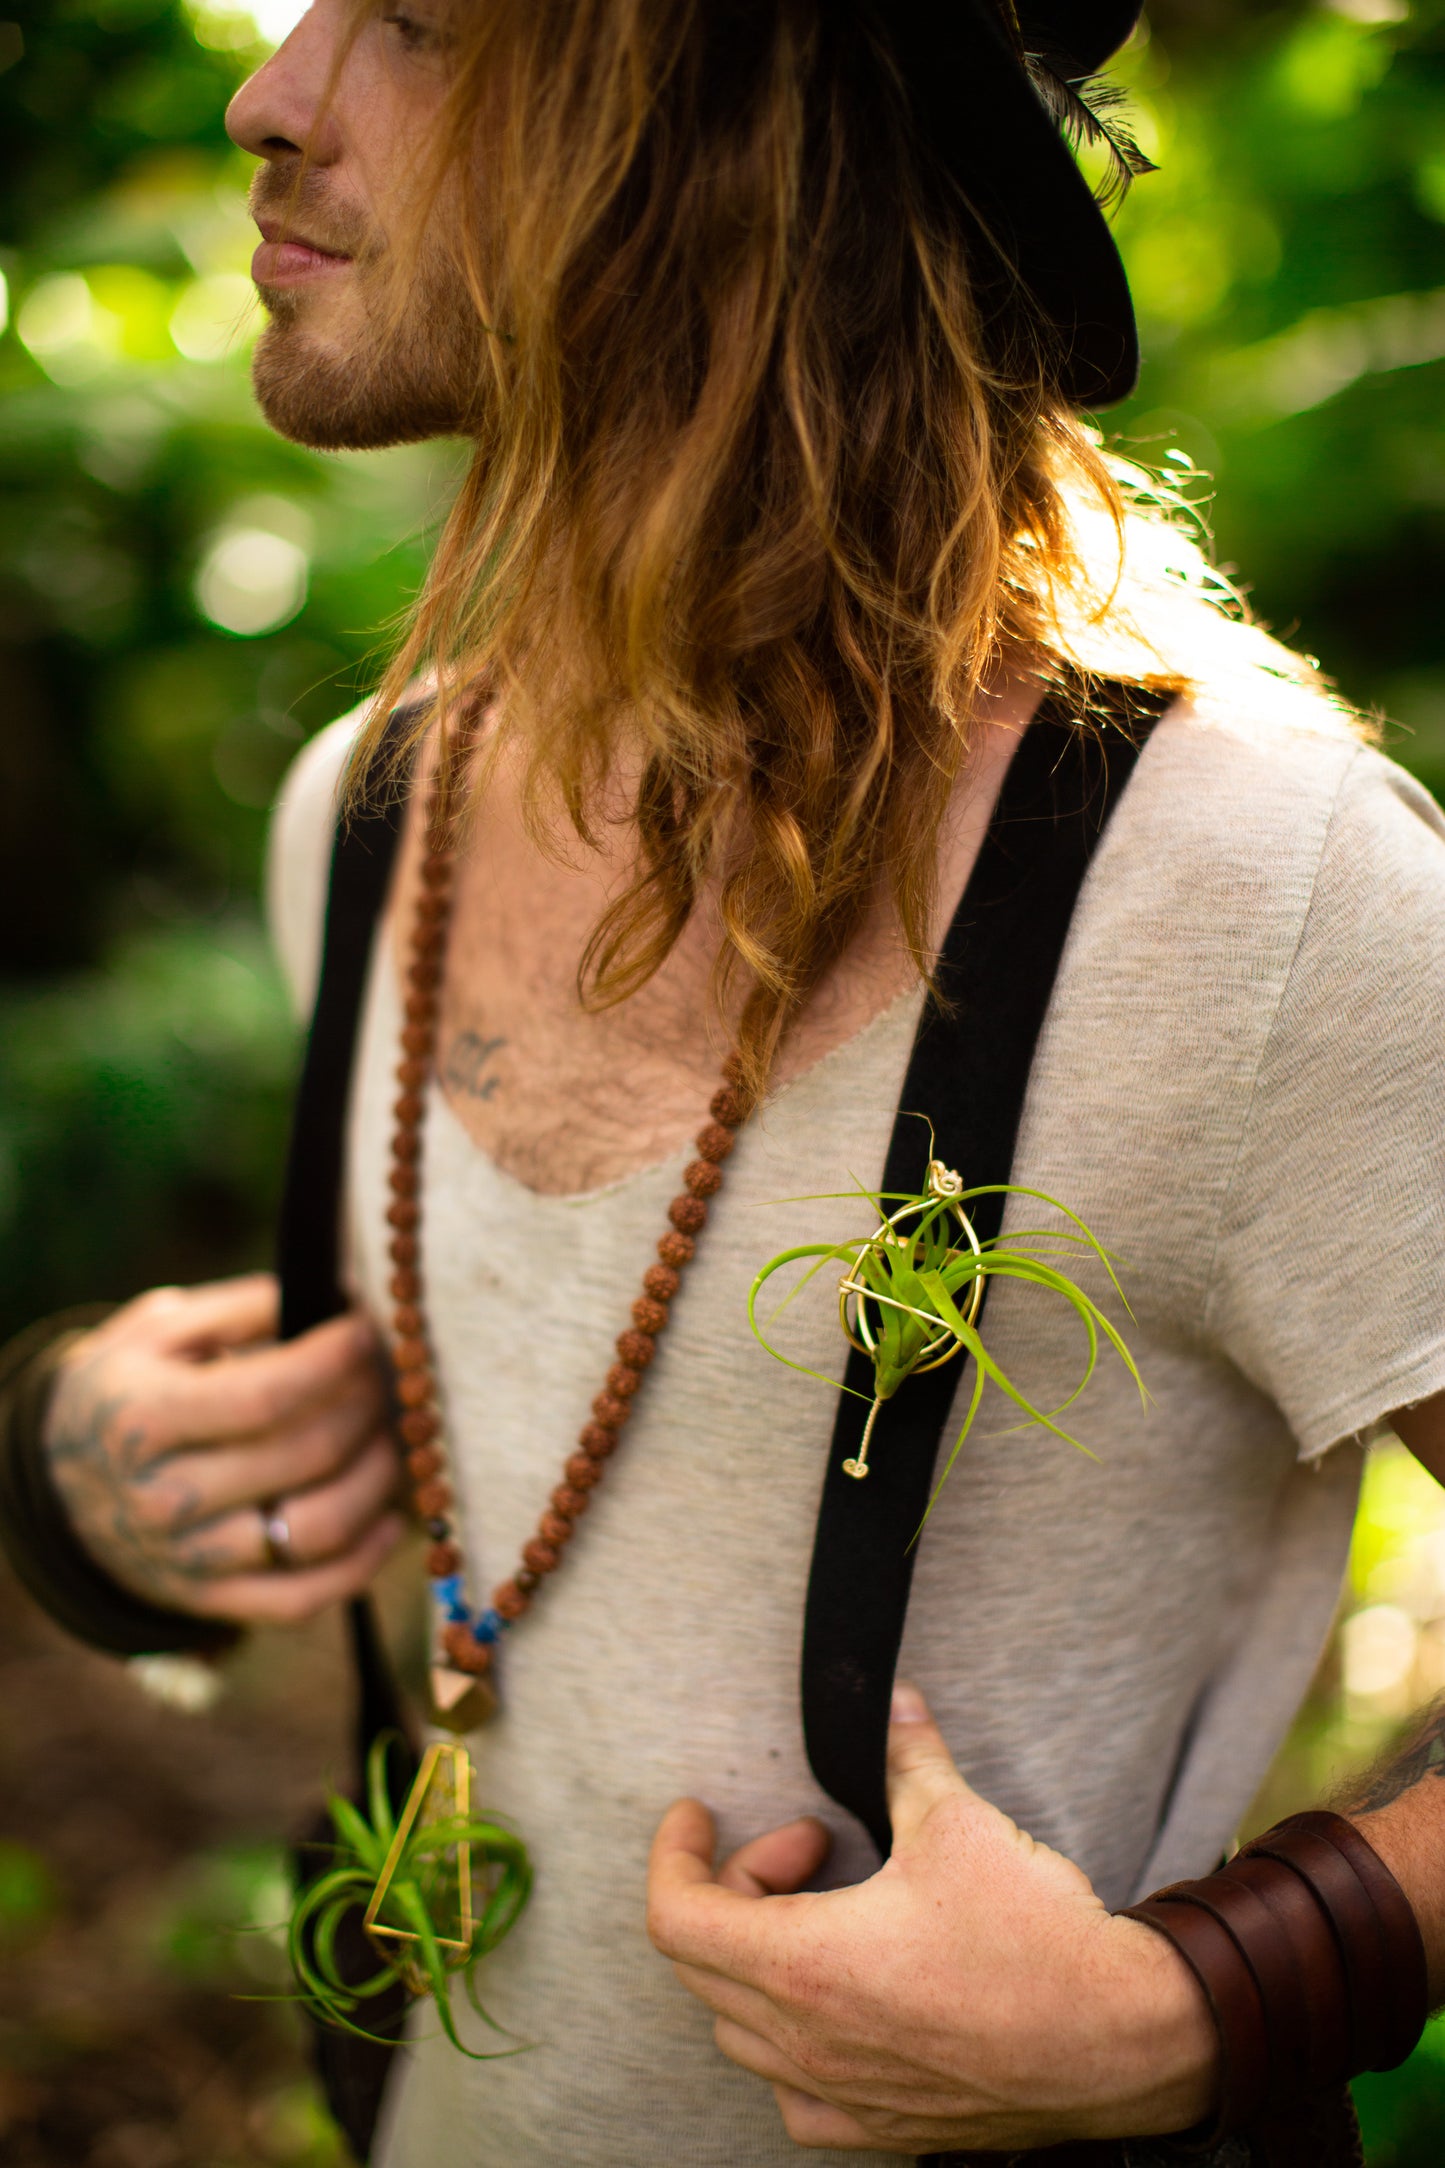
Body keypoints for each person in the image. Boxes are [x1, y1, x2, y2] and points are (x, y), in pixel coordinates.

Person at [5, 3, 1445, 2163]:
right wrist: (96, 1472)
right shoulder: (367, 810)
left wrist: (1202, 2000)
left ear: (730, 111)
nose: (270, 92)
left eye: (406, 16)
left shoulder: (1252, 892)